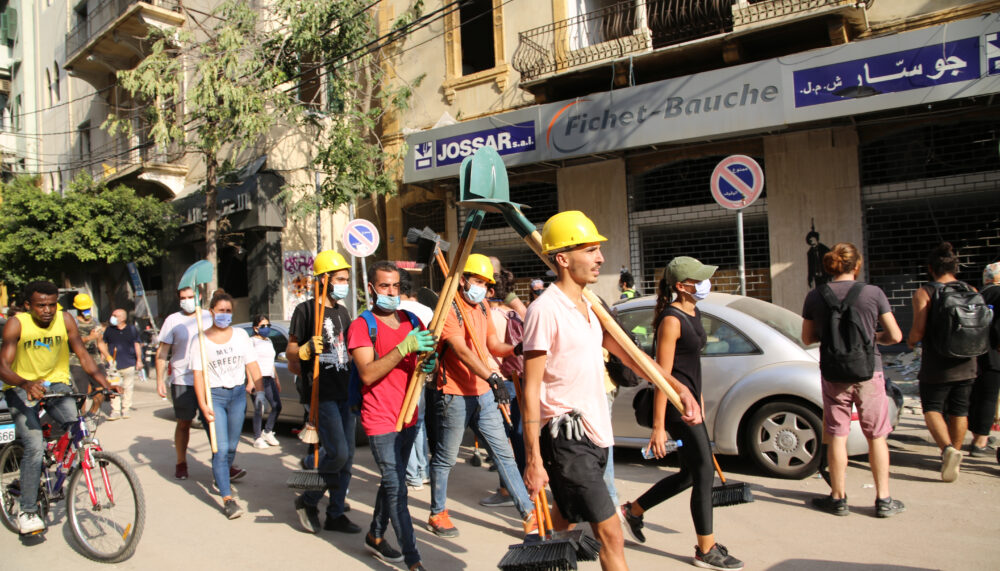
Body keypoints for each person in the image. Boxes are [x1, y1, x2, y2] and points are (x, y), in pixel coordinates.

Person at [521, 211, 702, 571]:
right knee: (611, 534)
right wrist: (533, 460)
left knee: (563, 521)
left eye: (598, 250)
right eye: (590, 250)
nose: (600, 258)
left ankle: (537, 562)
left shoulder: (592, 307)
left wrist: (679, 388)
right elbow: (530, 388)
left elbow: (633, 360)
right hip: (566, 437)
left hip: (597, 434)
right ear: (563, 258)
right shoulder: (544, 310)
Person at [618, 256, 743, 570]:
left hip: (689, 406)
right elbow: (662, 375)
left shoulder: (693, 311)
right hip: (674, 409)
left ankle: (634, 510)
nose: (704, 283)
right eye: (698, 279)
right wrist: (658, 427)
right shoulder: (671, 320)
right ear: (680, 286)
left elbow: (692, 368)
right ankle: (706, 548)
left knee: (690, 474)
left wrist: (698, 401)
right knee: (704, 473)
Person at [427, 253, 535, 538]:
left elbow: (491, 345)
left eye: (485, 283)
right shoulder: (448, 307)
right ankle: (438, 512)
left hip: (484, 394)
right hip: (454, 394)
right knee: (445, 458)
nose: (481, 287)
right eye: (476, 281)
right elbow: (461, 350)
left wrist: (515, 349)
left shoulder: (484, 306)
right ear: (462, 280)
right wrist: (492, 376)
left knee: (504, 455)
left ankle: (528, 513)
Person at [0, 280, 120, 534]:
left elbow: (84, 356)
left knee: (77, 423)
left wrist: (105, 383)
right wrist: (25, 382)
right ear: (27, 305)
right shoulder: (17, 324)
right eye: (41, 305)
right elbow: (3, 367)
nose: (47, 310)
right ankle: (28, 510)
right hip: (21, 387)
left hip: (56, 384)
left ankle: (53, 461)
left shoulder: (65, 320)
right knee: (33, 445)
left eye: (52, 305)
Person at [800, 243, 905, 518]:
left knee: (837, 433)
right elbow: (895, 335)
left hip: (834, 371)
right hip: (870, 370)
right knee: (877, 435)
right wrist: (872, 338)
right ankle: (883, 499)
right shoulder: (873, 293)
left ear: (829, 266)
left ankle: (838, 498)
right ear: (856, 265)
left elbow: (807, 338)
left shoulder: (815, 296)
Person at [349, 261, 436, 571]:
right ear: (371, 289)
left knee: (392, 480)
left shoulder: (412, 320)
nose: (391, 292)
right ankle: (413, 560)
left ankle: (374, 535)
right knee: (397, 487)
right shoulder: (362, 325)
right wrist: (404, 347)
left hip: (409, 416)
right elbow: (368, 374)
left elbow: (424, 359)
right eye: (384, 286)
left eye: (396, 286)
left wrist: (428, 363)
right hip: (379, 420)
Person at [288, 250, 360, 534]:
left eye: (346, 278)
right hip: (322, 393)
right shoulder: (305, 311)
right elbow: (290, 350)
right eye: (340, 279)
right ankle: (308, 499)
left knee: (348, 458)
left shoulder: (343, 312)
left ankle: (336, 512)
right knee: (338, 454)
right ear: (324, 279)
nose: (345, 284)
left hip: (344, 391)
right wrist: (305, 349)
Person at [907, 242, 979, 482]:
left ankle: (947, 450)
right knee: (960, 409)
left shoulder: (925, 292)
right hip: (968, 360)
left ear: (930, 268)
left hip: (937, 361)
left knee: (932, 408)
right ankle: (955, 454)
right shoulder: (970, 288)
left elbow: (918, 331)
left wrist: (910, 341)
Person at [190, 292, 263, 519]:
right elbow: (198, 375)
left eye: (228, 311)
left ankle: (220, 473)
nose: (224, 315)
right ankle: (227, 498)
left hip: (238, 396)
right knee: (220, 449)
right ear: (211, 311)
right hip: (216, 397)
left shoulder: (241, 336)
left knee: (232, 447)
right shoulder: (199, 340)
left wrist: (259, 391)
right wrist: (202, 404)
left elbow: (252, 364)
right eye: (220, 311)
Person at [479, 268, 526, 508]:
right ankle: (524, 484)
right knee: (518, 435)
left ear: (490, 290)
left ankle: (507, 489)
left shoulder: (489, 315)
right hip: (518, 377)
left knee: (501, 438)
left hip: (498, 380)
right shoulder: (516, 314)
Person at [156, 286, 213, 480]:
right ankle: (181, 462)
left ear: (199, 296)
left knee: (212, 422)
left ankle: (221, 462)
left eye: (190, 297)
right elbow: (162, 353)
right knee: (184, 423)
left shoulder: (208, 317)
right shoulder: (172, 320)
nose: (187, 300)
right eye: (183, 298)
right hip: (182, 379)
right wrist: (159, 380)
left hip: (207, 379)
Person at [398, 270, 433, 490]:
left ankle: (413, 475)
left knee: (405, 423)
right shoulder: (425, 310)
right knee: (419, 423)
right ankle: (423, 470)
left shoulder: (393, 312)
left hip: (402, 373)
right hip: (422, 371)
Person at [967, 261, 1000, 456]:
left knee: (978, 396)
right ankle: (980, 442)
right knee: (989, 398)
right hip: (993, 354)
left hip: (974, 351)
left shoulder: (978, 294)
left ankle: (978, 435)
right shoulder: (998, 293)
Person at [99, 308, 143, 420]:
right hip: (113, 365)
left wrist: (139, 360)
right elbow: (103, 344)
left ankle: (126, 409)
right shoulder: (109, 330)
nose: (112, 317)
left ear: (123, 318)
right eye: (112, 315)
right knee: (114, 388)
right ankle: (115, 410)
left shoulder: (132, 329)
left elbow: (137, 345)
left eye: (115, 315)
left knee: (128, 387)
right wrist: (102, 359)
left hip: (129, 363)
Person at [69, 293, 106, 416]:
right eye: (83, 308)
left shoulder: (95, 320)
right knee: (81, 393)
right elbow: (71, 341)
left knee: (101, 389)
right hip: (76, 360)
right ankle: (81, 416)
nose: (86, 310)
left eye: (87, 308)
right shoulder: (73, 322)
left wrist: (108, 356)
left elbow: (99, 341)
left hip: (94, 359)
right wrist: (89, 337)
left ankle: (92, 413)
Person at [250, 315, 282, 449]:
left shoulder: (269, 340)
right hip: (258, 378)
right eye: (263, 326)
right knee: (259, 408)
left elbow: (272, 361)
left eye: (268, 326)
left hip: (269, 378)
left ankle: (267, 431)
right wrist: (250, 381)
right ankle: (257, 437)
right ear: (256, 328)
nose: (266, 328)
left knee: (277, 406)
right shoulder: (251, 341)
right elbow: (249, 362)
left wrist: (277, 379)